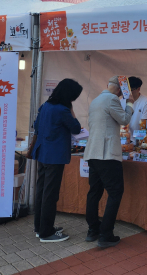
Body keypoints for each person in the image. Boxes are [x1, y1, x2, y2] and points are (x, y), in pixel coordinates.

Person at [84, 76, 135, 247]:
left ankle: (93, 229)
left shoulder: (95, 100)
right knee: (115, 192)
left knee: (94, 192)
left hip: (92, 152)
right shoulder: (112, 100)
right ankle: (106, 234)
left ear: (108, 85)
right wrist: (130, 103)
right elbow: (124, 120)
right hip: (106, 154)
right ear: (120, 90)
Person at [33, 79, 83, 243]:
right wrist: (72, 111)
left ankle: (40, 228)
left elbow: (36, 126)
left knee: (42, 191)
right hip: (55, 156)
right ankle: (46, 233)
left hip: (42, 152)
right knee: (50, 194)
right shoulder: (63, 110)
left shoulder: (45, 106)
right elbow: (76, 128)